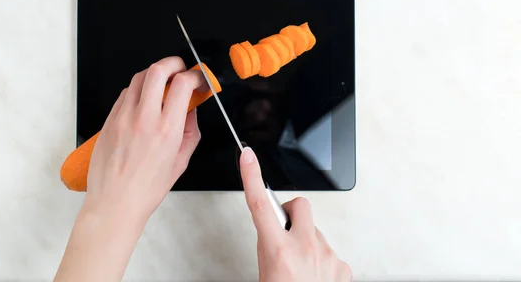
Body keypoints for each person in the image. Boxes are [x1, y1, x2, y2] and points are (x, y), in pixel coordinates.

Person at [54, 57, 352, 282]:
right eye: (251, 100)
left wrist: (110, 212)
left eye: (268, 102)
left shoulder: (301, 167)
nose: (260, 110)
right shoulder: (211, 150)